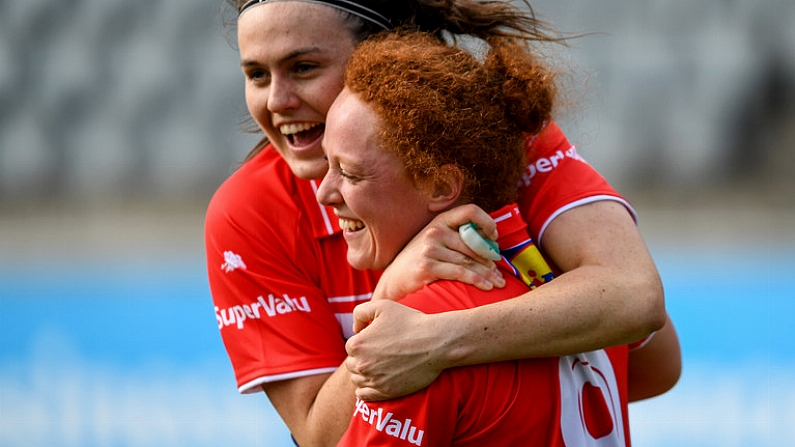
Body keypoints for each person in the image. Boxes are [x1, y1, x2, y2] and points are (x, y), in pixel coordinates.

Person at [205, 1, 675, 446]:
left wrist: (436, 341)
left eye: (304, 68)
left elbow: (644, 325)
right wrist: (392, 296)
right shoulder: (246, 211)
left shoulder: (503, 141)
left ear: (383, 53)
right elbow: (318, 434)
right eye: (256, 75)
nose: (279, 100)